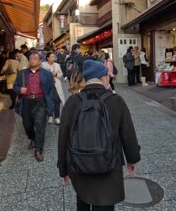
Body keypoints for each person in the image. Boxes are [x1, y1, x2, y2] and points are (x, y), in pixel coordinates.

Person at [58, 59, 141, 211]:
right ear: (103, 78)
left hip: (78, 164)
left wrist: (63, 168)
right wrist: (132, 159)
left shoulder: (72, 102)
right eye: (108, 76)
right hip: (109, 165)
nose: (109, 78)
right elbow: (128, 133)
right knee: (105, 204)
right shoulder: (116, 101)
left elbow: (63, 137)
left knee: (82, 200)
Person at [13, 52, 55, 162]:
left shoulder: (47, 74)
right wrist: (19, 90)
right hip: (26, 101)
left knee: (40, 126)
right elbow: (15, 87)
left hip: (40, 102)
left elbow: (51, 90)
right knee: (27, 125)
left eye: (35, 58)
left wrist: (50, 106)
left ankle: (38, 150)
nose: (32, 60)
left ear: (40, 61)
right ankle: (33, 138)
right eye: (31, 58)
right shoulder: (22, 73)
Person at [42, 52, 65, 125]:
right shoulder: (43, 65)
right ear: (48, 58)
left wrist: (56, 74)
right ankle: (50, 115)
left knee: (57, 100)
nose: (53, 58)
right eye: (52, 57)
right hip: (47, 85)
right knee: (48, 99)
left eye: (54, 57)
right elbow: (41, 74)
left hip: (56, 84)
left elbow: (61, 74)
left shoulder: (57, 65)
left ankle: (57, 117)